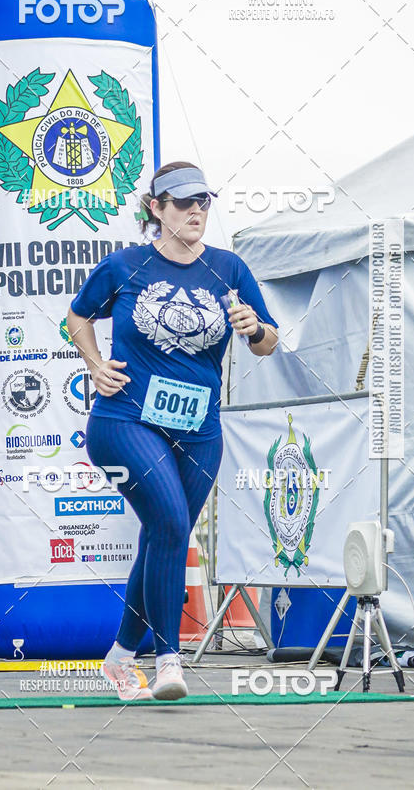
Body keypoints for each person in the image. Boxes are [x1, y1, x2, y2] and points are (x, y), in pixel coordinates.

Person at [66, 161, 279, 701]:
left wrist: (255, 329)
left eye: (203, 202)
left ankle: (118, 657)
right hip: (126, 419)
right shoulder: (123, 266)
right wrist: (94, 364)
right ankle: (167, 660)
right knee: (169, 520)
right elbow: (77, 316)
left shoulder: (228, 269)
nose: (195, 212)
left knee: (168, 532)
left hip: (199, 427)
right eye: (182, 203)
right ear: (155, 210)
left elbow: (269, 341)